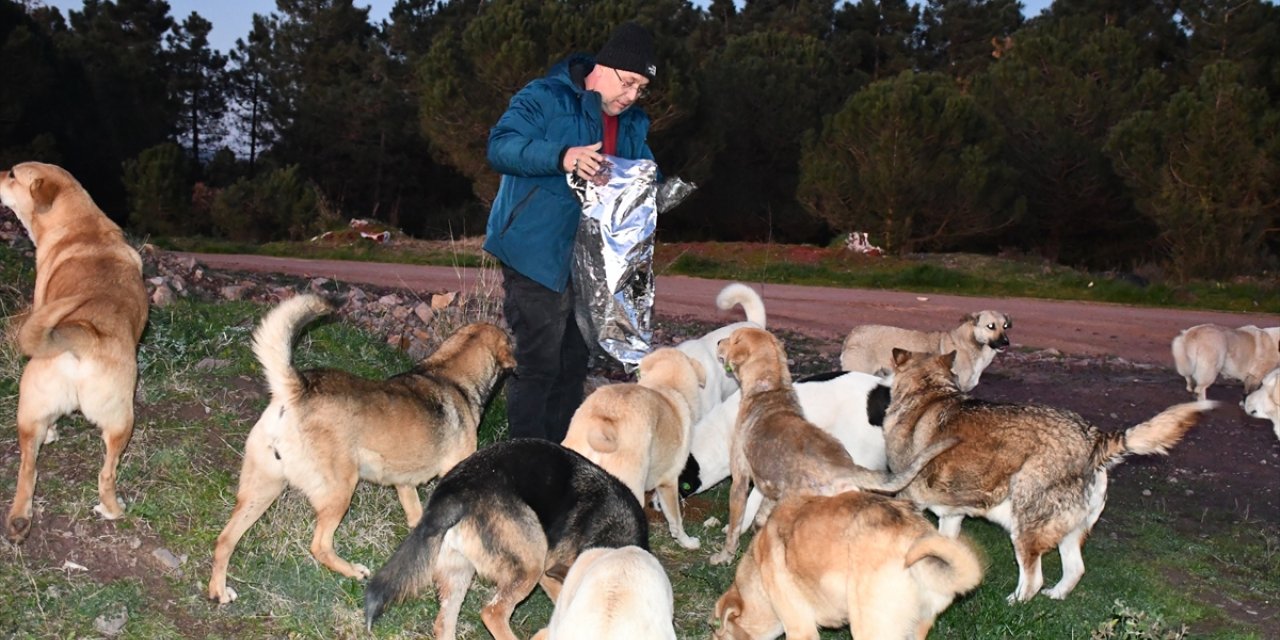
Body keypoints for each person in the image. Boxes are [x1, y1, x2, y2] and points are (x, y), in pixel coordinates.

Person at [483, 22, 659, 442]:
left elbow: (645, 172)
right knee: (539, 363)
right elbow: (500, 146)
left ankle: (558, 458)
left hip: (595, 264)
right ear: (605, 66)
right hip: (536, 251)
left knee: (573, 365)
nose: (632, 95)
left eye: (642, 88)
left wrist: (653, 189)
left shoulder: (633, 123)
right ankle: (522, 459)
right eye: (630, 82)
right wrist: (563, 156)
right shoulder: (545, 96)